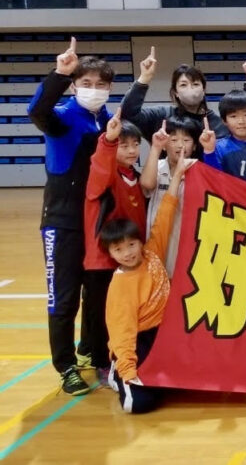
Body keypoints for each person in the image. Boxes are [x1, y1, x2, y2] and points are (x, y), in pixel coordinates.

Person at [28, 37, 114, 395]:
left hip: (97, 224)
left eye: (101, 84)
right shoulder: (62, 117)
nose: (94, 89)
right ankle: (65, 367)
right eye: (86, 83)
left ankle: (92, 351)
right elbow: (38, 112)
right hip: (62, 223)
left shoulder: (106, 119)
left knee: (96, 295)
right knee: (63, 299)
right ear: (75, 86)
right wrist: (59, 74)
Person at [101, 158, 196, 414]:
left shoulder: (152, 253)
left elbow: (165, 213)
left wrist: (177, 175)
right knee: (138, 405)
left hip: (165, 333)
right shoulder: (120, 287)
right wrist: (128, 370)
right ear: (111, 254)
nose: (128, 253)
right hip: (138, 340)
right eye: (118, 249)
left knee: (185, 385)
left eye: (131, 245)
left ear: (140, 242)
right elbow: (122, 333)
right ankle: (117, 372)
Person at [81, 107, 147, 385]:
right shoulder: (105, 175)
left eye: (135, 144)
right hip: (102, 262)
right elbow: (100, 163)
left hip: (128, 259)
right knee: (101, 313)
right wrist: (108, 141)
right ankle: (100, 361)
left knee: (123, 312)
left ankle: (103, 352)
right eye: (124, 145)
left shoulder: (135, 176)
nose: (131, 150)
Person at [120, 47, 246, 142]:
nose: (190, 89)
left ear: (204, 89)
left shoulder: (219, 123)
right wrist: (144, 78)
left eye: (195, 84)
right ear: (175, 92)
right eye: (183, 85)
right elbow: (127, 114)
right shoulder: (161, 115)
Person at [140, 116, 200, 278]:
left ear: (195, 146)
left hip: (186, 238)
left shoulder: (199, 170)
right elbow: (147, 184)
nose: (180, 145)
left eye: (186, 140)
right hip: (158, 237)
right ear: (165, 145)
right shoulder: (157, 166)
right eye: (173, 140)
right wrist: (155, 148)